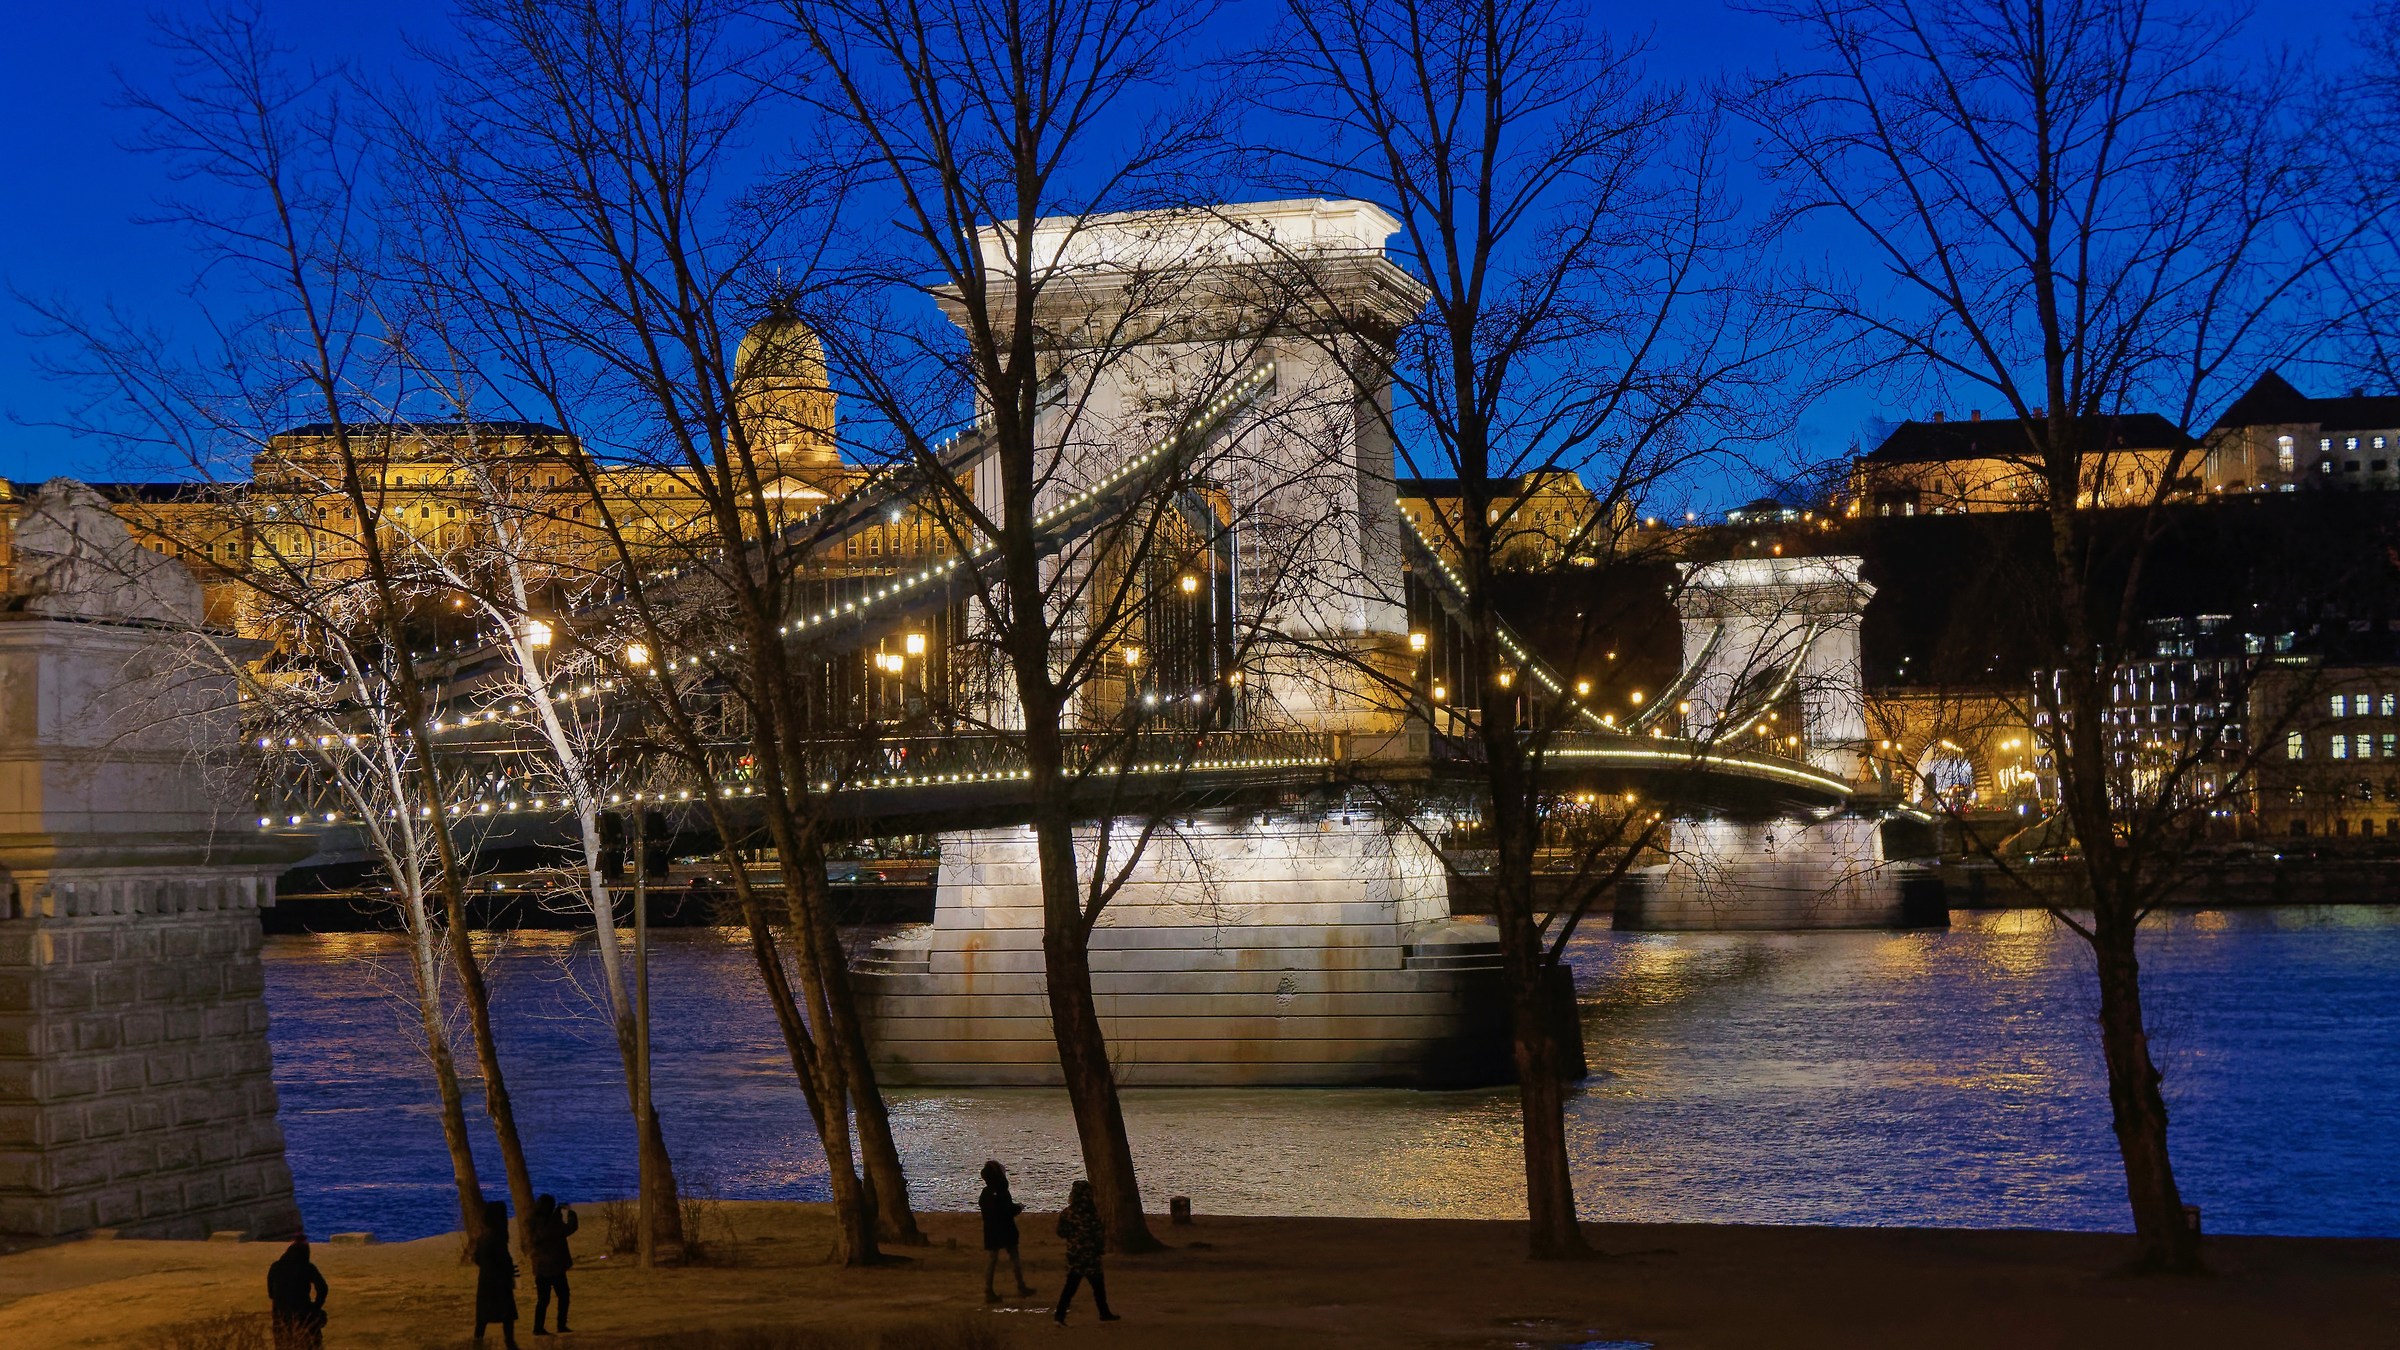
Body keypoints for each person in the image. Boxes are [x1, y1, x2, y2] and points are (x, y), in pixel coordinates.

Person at [1052, 1180, 1118, 1325]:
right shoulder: (1091, 1214)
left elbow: (1061, 1232)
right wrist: (1100, 1249)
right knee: (1098, 1286)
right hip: (1090, 1255)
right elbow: (1098, 1234)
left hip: (1074, 1254)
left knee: (1070, 1286)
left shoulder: (1067, 1213)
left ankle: (1060, 1315)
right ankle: (1104, 1312)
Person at [977, 1160, 1035, 1302]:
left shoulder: (986, 1193)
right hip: (1006, 1228)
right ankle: (1021, 1287)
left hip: (991, 1229)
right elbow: (1007, 1211)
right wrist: (1019, 1207)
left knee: (992, 1259)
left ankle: (988, 1290)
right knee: (1014, 1257)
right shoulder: (1002, 1191)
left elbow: (990, 1210)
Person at [528, 1194, 579, 1336]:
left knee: (543, 1300)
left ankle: (538, 1327)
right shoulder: (553, 1224)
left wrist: (556, 1214)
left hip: (540, 1267)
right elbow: (569, 1228)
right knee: (564, 1296)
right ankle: (561, 1325)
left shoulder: (533, 1222)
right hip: (555, 1267)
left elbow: (547, 1228)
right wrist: (570, 1212)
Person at [473, 1199, 520, 1349]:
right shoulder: (497, 1237)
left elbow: (477, 1258)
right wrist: (510, 1274)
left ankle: (478, 1342)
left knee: (483, 1317)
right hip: (498, 1281)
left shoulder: (484, 1236)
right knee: (506, 1314)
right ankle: (510, 1343)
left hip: (486, 1279)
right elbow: (504, 1259)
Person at [265, 1237, 328, 1350]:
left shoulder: (276, 1266)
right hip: (303, 1312)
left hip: (280, 1313)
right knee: (311, 1343)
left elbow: (270, 1293)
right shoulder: (307, 1267)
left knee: (283, 1343)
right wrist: (316, 1306)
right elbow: (322, 1288)